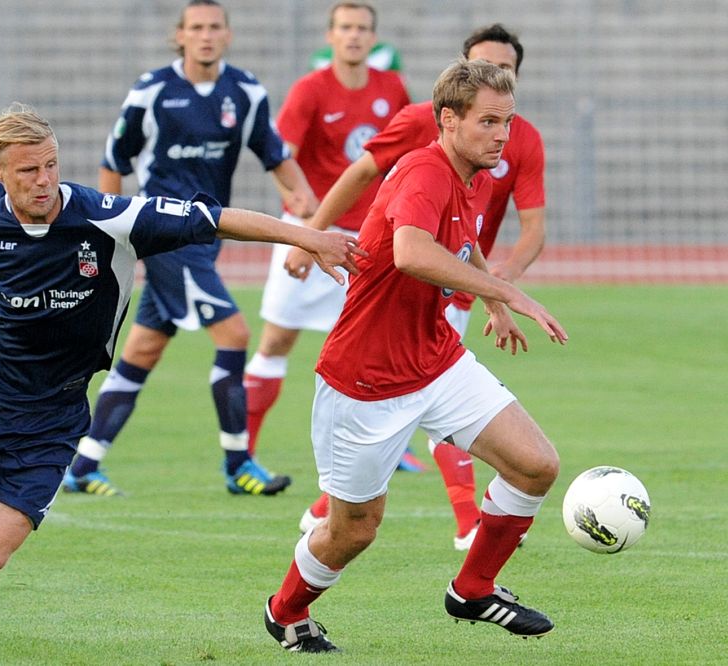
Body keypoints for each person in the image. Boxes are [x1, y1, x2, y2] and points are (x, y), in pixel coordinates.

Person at [0, 102, 363, 658]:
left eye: (51, 166)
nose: (44, 181)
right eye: (28, 171)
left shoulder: (104, 216)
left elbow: (211, 219)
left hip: (53, 416)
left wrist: (307, 236)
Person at [262, 58, 568, 653]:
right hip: (365, 382)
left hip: (437, 360)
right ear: (448, 120)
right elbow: (410, 252)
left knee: (535, 464)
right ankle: (286, 610)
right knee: (353, 531)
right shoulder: (424, 171)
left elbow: (466, 238)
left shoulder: (471, 174)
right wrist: (506, 290)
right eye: (488, 122)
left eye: (507, 121)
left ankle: (474, 588)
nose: (502, 134)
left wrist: (492, 303)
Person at [295, 24, 547, 550]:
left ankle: (468, 558)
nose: (500, 128)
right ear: (452, 110)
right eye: (487, 71)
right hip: (391, 301)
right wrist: (309, 235)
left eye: (507, 77)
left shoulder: (495, 148)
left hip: (447, 302)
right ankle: (332, 525)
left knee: (525, 455)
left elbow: (474, 228)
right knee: (358, 520)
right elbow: (370, 186)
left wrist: (493, 292)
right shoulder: (423, 138)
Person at [62, 0, 318, 497]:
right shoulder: (152, 90)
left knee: (143, 348)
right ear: (178, 36)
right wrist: (107, 226)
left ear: (228, 35)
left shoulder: (244, 92)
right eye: (195, 28)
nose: (205, 35)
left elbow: (275, 155)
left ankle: (83, 464)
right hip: (162, 233)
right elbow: (114, 160)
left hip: (205, 237)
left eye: (214, 27)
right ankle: (238, 465)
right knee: (235, 334)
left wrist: (302, 203)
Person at [243, 2, 414, 462]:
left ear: (374, 38)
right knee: (277, 340)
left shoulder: (392, 87)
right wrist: (301, 214)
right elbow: (281, 155)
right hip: (313, 232)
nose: (354, 36)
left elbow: (406, 154)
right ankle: (243, 451)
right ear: (330, 36)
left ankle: (393, 448)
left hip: (369, 240)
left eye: (362, 28)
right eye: (345, 28)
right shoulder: (310, 90)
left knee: (381, 345)